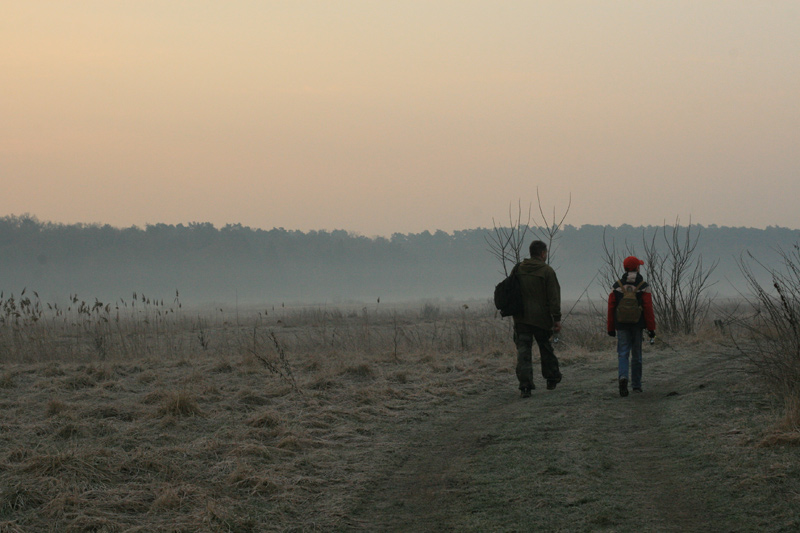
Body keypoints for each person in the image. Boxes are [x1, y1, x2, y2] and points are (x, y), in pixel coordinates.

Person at [513, 240, 563, 398]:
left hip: (521, 318)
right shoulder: (547, 271)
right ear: (542, 253)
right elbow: (554, 298)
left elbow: (510, 291)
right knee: (545, 348)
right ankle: (551, 378)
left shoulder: (518, 269)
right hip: (541, 319)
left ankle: (525, 386)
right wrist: (556, 319)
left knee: (523, 352)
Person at [607, 255, 656, 397]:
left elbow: (611, 307)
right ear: (637, 268)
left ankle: (623, 378)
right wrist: (651, 328)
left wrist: (611, 327)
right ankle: (636, 385)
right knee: (637, 355)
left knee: (622, 353)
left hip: (621, 324)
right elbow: (648, 308)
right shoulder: (643, 286)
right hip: (637, 325)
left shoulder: (617, 286)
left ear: (624, 268)